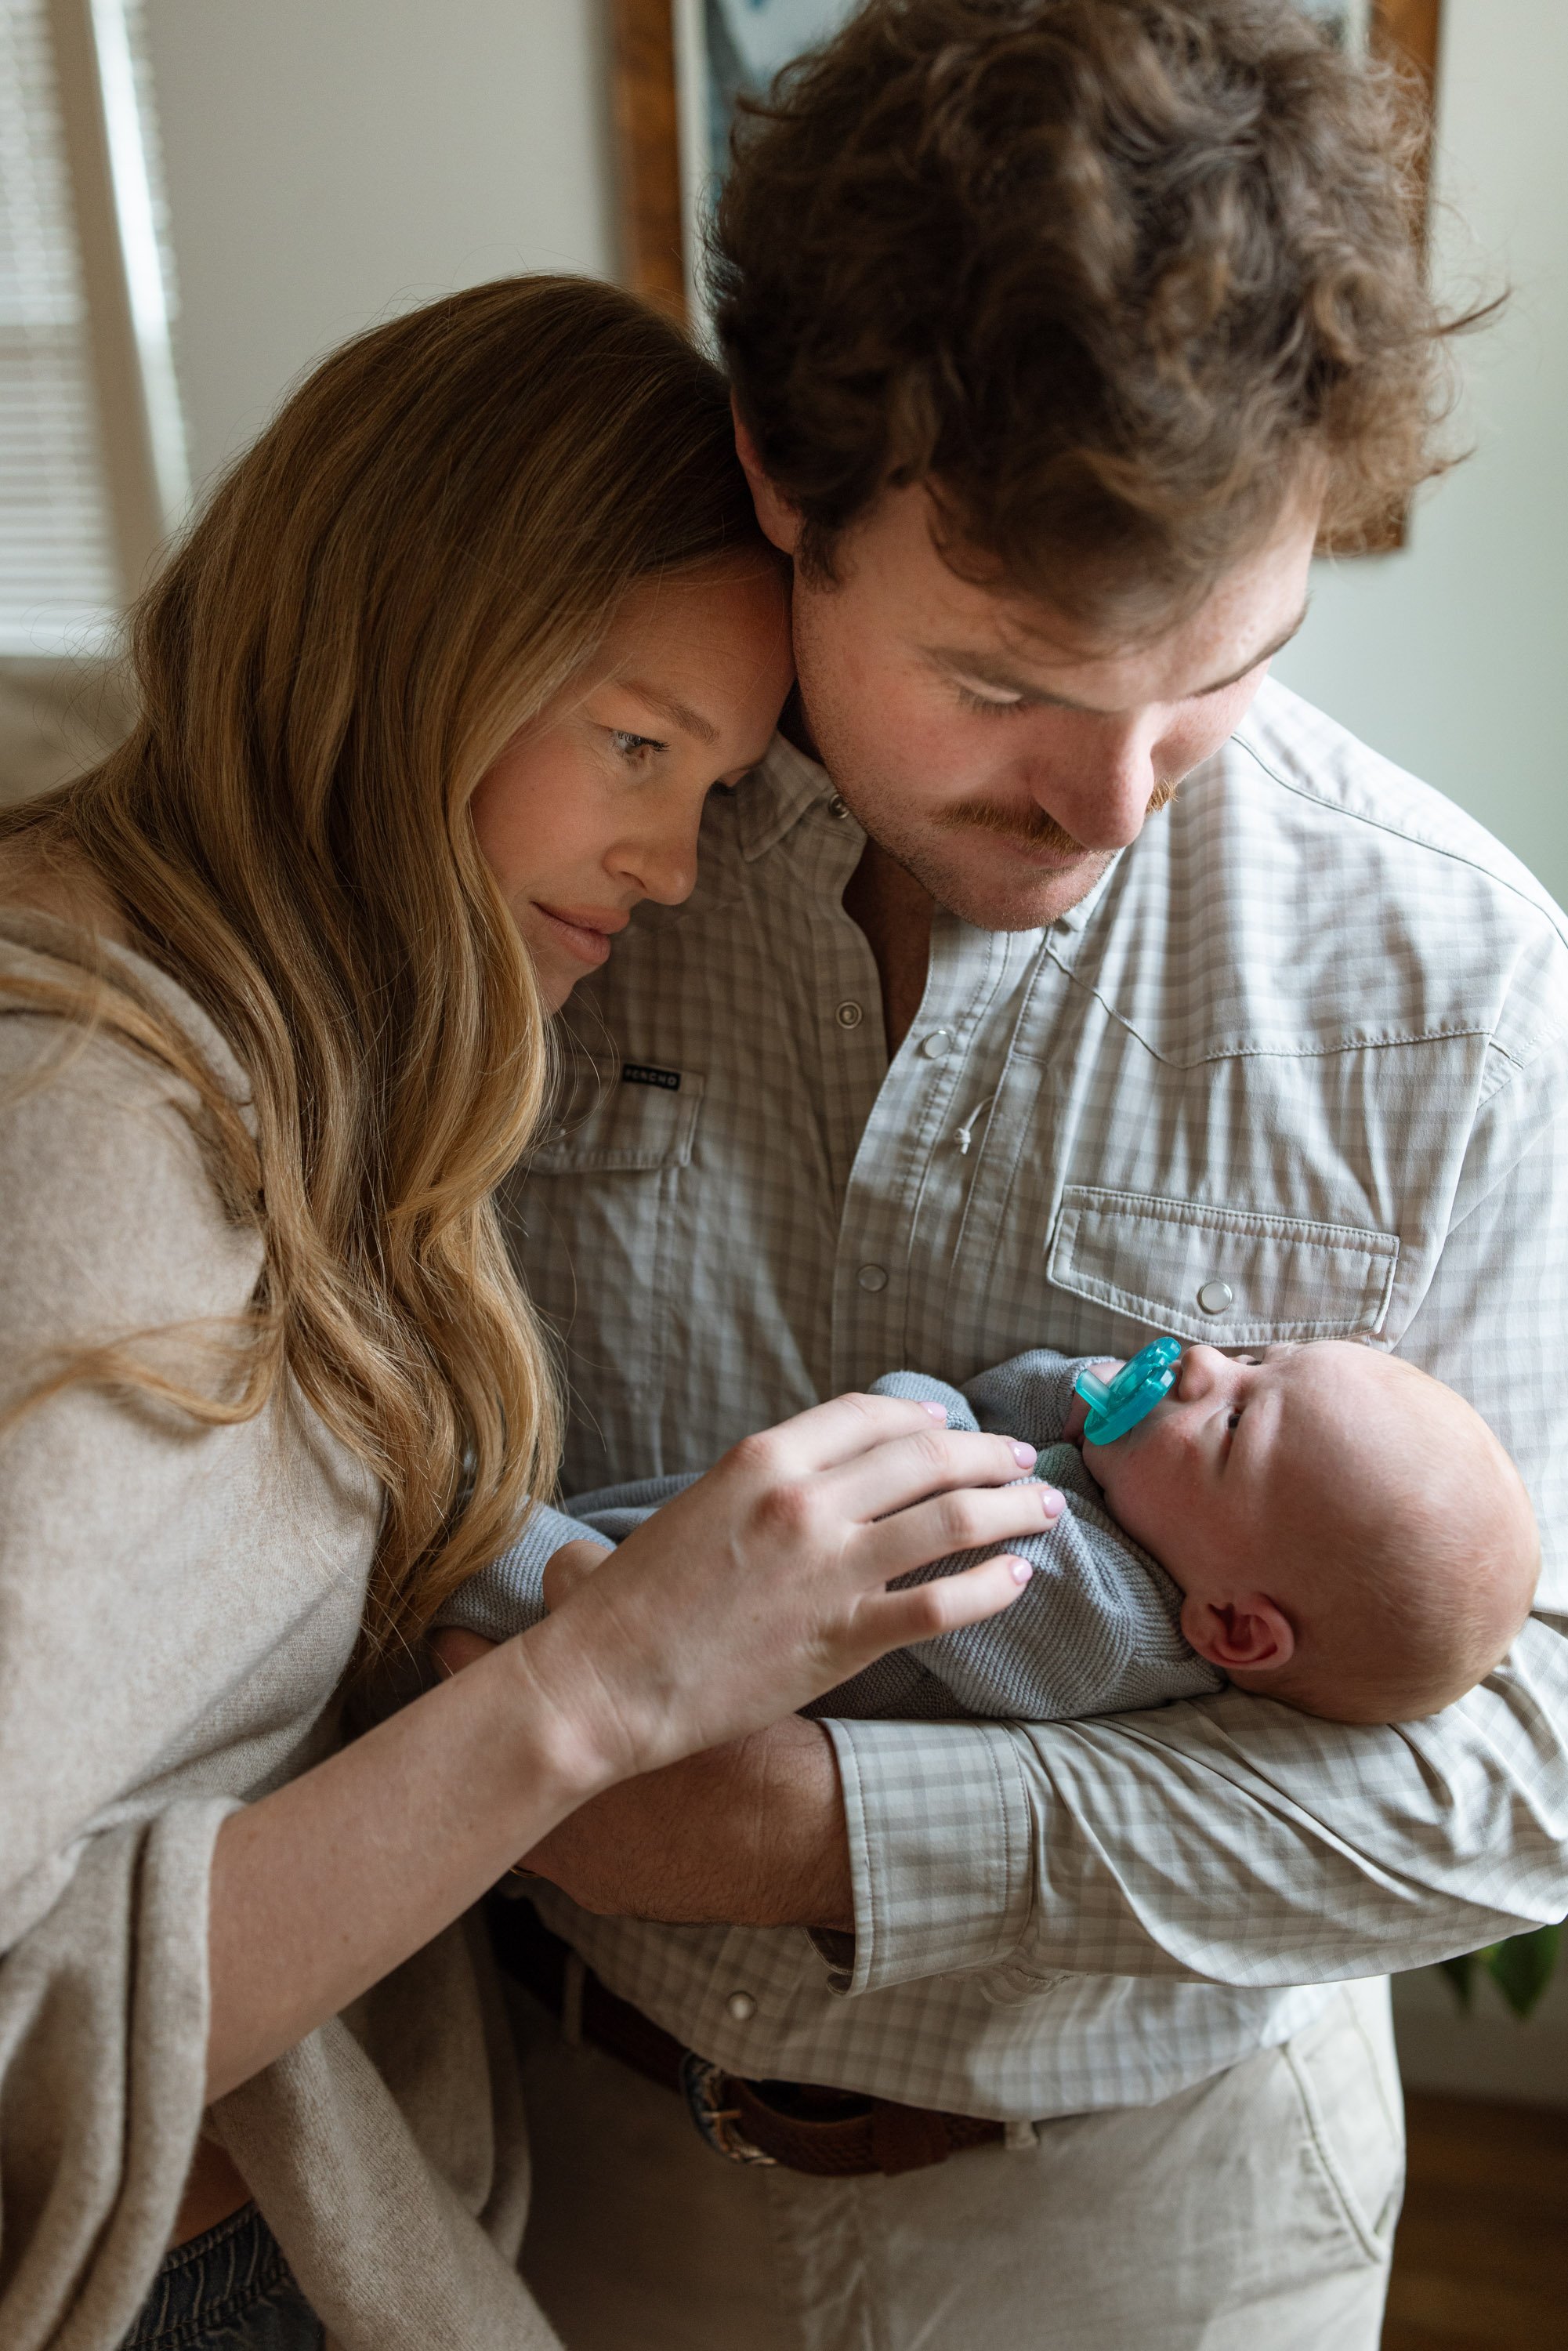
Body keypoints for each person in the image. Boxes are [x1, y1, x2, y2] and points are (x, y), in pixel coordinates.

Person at [440, 5, 1568, 2346]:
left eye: (1224, 671)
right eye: (1002, 686)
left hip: (1161, 2222)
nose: (1114, 804)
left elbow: (1531, 1763)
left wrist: (819, 1837)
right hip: (541, 2153)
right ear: (784, 480)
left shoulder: (1456, 986)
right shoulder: (529, 850)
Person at [0, 274, 1056, 2351]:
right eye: (634, 746)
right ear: (405, 652)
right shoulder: (98, 1129)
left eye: (713, 787)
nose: (672, 866)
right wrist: (606, 1688)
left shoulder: (285, 1043)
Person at [447, 1335, 1540, 1728]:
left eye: (1235, 1419)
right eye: (1257, 1357)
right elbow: (1006, 1413)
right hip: (680, 1587)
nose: (1204, 1361)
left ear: (1237, 1629)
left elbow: (913, 1469)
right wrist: (1092, 1410)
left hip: (651, 1660)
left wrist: (964, 1408)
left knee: (458, 1533)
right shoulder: (1143, 1528)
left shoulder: (1093, 1622)